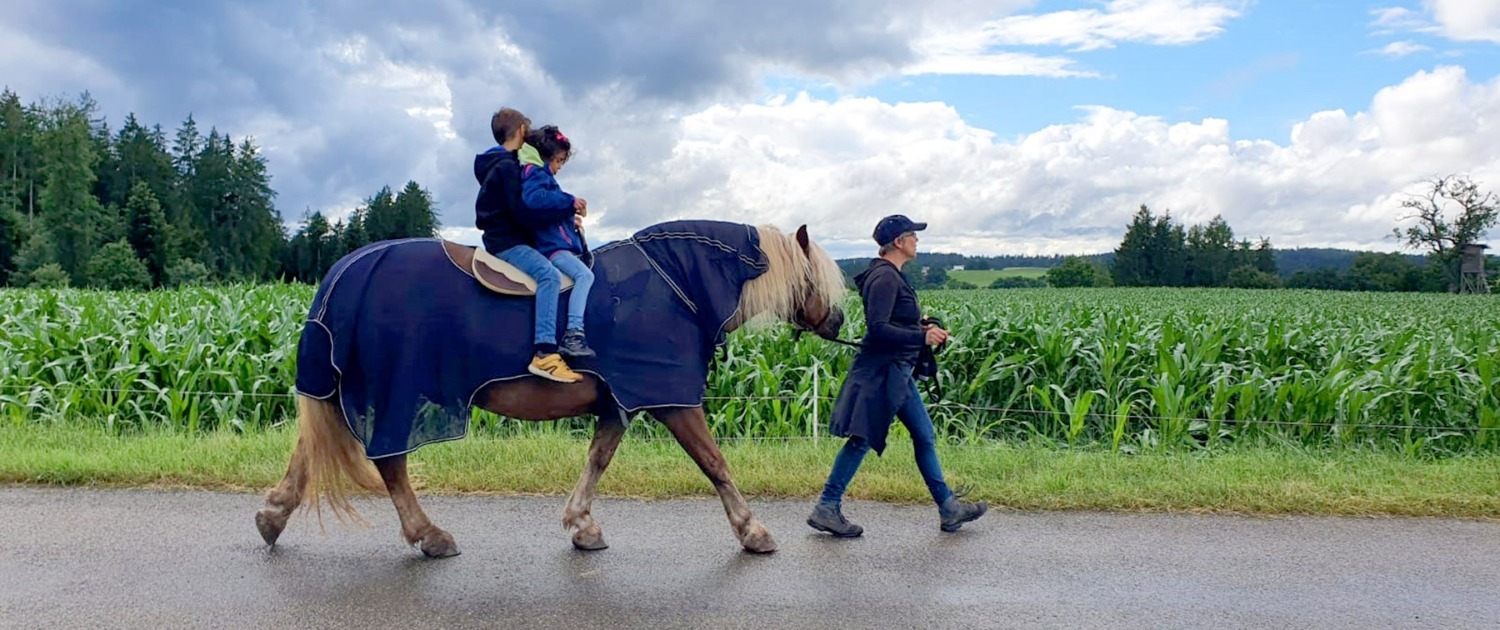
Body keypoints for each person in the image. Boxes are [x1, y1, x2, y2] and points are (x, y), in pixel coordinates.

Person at [808, 214, 987, 537]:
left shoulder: (891, 275)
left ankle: (949, 508)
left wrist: (923, 328)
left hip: (897, 372)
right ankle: (827, 506)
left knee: (925, 435)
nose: (917, 241)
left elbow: (893, 323)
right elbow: (878, 330)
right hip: (882, 373)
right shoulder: (885, 279)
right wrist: (922, 338)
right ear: (899, 243)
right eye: (913, 236)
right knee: (862, 439)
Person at [473, 107, 581, 383]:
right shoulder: (508, 167)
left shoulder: (497, 164)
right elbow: (525, 211)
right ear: (521, 130)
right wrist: (566, 207)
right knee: (548, 277)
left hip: (501, 238)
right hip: (508, 242)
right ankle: (545, 353)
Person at [521, 125, 594, 359]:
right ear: (547, 157)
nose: (559, 167)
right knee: (585, 276)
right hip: (552, 249)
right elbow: (535, 200)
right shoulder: (537, 174)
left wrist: (568, 217)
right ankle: (574, 332)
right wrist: (569, 201)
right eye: (559, 161)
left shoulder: (543, 177)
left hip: (553, 246)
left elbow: (548, 211)